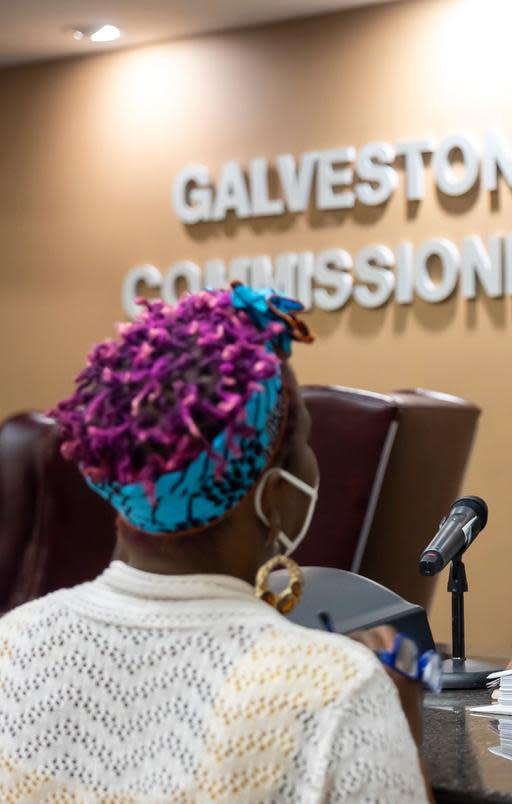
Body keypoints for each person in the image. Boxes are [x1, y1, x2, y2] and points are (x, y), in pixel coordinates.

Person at [0, 285, 429, 802]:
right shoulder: (335, 693)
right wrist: (397, 719)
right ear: (272, 497)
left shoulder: (10, 646)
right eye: (303, 443)